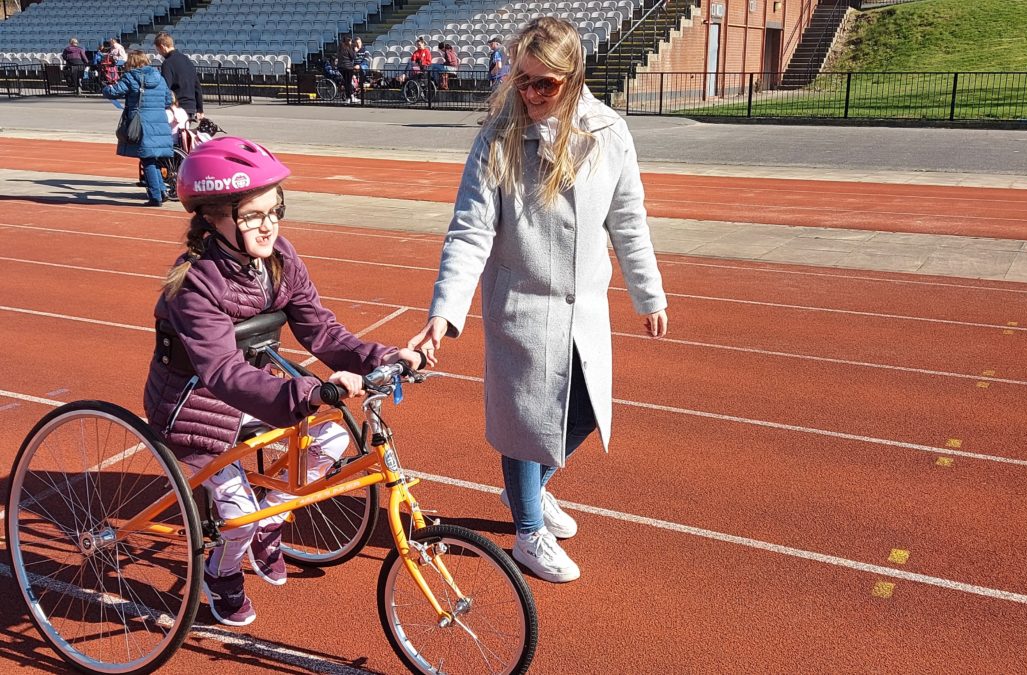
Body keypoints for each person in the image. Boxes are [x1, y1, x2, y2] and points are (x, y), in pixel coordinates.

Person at [408, 17, 668, 583]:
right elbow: (470, 230)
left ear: (574, 77)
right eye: (520, 81)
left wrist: (647, 292)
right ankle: (529, 530)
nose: (529, 95)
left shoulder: (609, 133)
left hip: (585, 307)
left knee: (583, 410)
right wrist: (443, 313)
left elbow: (627, 218)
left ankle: (531, 489)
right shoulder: (499, 138)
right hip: (521, 307)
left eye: (543, 83)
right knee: (525, 420)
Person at [144, 135, 425, 626]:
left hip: (257, 386)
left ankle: (269, 525)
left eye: (275, 211)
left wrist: (384, 355)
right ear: (213, 215)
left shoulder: (279, 258)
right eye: (252, 216)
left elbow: (320, 328)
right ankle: (221, 572)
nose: (268, 225)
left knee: (334, 434)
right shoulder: (195, 284)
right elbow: (220, 372)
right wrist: (305, 391)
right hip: (194, 404)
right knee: (234, 514)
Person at [102, 50, 173, 206]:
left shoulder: (130, 77)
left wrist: (105, 88)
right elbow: (168, 100)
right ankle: (161, 191)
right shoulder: (159, 78)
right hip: (160, 121)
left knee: (147, 159)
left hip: (142, 122)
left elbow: (114, 92)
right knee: (152, 158)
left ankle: (155, 197)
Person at [155, 32, 204, 120]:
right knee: (184, 132)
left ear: (162, 47)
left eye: (158, 50)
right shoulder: (187, 60)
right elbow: (197, 86)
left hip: (177, 106)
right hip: (191, 106)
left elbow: (166, 87)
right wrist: (200, 108)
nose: (159, 53)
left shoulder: (168, 63)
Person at [336, 36, 359, 103]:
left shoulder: (339, 48)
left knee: (346, 82)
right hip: (348, 67)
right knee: (348, 83)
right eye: (350, 41)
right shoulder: (348, 48)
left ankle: (348, 97)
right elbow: (353, 57)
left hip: (341, 67)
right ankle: (350, 96)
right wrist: (355, 51)